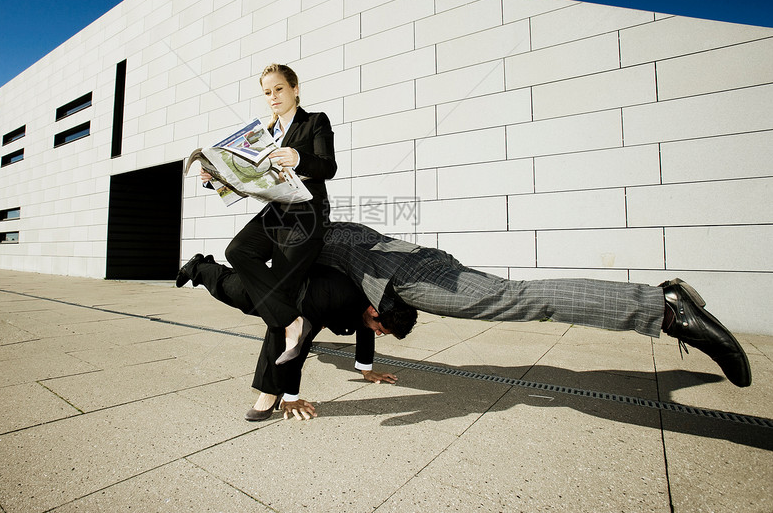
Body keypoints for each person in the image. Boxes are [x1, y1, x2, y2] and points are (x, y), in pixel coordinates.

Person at [317, 222, 752, 387]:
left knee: (518, 298)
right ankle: (660, 306)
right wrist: (365, 369)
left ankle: (664, 307)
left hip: (405, 276)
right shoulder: (335, 233)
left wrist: (278, 391)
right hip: (414, 266)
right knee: (517, 297)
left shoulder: (313, 236)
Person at [199, 64, 337, 366]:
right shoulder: (263, 134)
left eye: (279, 89)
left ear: (295, 89)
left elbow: (328, 167)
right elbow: (246, 180)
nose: (272, 96)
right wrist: (216, 178)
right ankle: (293, 321)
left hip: (306, 214)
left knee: (279, 290)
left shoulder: (315, 122)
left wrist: (299, 158)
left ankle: (269, 390)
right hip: (275, 209)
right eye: (267, 92)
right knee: (238, 251)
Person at [176, 253, 415, 420]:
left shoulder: (373, 304)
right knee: (232, 290)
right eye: (381, 329)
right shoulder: (338, 297)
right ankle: (198, 266)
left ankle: (271, 391)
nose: (377, 332)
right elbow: (298, 343)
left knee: (290, 324)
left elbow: (366, 327)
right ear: (375, 311)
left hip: (312, 300)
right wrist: (291, 396)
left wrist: (366, 368)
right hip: (287, 291)